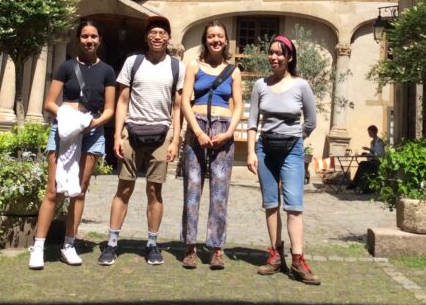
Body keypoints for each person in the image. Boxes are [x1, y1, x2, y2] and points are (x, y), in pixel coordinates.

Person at [28, 19, 116, 269]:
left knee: (79, 191)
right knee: (53, 191)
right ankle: (39, 245)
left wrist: (92, 122)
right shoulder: (66, 67)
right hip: (64, 130)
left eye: (94, 36)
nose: (89, 40)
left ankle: (69, 244)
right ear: (78, 39)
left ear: (100, 40)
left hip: (92, 131)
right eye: (85, 36)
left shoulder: (107, 71)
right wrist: (69, 117)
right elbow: (49, 103)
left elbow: (110, 108)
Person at [99, 15, 185, 266]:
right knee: (124, 188)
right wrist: (117, 134)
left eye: (162, 33)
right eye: (153, 32)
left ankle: (152, 244)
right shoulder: (133, 62)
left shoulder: (175, 67)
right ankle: (112, 243)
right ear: (146, 37)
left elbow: (177, 107)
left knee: (154, 190)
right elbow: (122, 101)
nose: (157, 36)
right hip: (132, 133)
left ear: (168, 37)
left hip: (161, 135)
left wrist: (175, 139)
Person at [246, 35, 319, 285]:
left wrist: (297, 137)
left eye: (279, 53)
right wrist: (250, 152)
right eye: (271, 53)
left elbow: (311, 121)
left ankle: (298, 259)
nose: (274, 57)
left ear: (289, 57)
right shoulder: (260, 85)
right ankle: (275, 254)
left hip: (292, 150)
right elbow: (253, 120)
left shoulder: (301, 86)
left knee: (294, 206)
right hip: (265, 149)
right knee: (270, 203)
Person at [179, 20, 243, 270]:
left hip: (222, 129)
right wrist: (196, 130)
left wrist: (228, 133)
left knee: (219, 192)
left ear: (226, 40)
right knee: (192, 189)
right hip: (197, 128)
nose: (215, 40)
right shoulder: (194, 65)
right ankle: (190, 247)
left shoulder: (234, 70)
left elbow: (238, 105)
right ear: (205, 41)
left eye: (219, 36)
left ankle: (217, 248)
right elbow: (184, 101)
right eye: (211, 36)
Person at [348, 125, 386, 192]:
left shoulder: (379, 141)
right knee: (362, 164)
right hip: (372, 161)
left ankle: (356, 183)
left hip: (378, 162)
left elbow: (379, 154)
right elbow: (372, 154)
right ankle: (357, 183)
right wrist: (367, 154)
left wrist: (369, 150)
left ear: (375, 132)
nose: (369, 134)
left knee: (364, 165)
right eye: (368, 132)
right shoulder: (372, 142)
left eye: (370, 132)